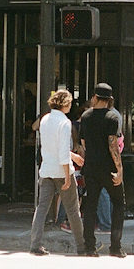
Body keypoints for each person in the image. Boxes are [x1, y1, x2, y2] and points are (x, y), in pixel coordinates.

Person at [30, 89, 85, 256]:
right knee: (73, 210)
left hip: (46, 170)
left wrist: (72, 156)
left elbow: (51, 147)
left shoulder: (45, 119)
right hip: (61, 172)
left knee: (41, 209)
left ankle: (35, 244)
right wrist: (68, 176)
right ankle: (82, 246)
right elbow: (62, 151)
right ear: (65, 104)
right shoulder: (65, 122)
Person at [78, 83, 126, 258]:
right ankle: (115, 247)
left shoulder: (86, 116)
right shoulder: (112, 117)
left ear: (95, 97)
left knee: (90, 206)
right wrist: (119, 170)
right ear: (110, 99)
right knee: (118, 204)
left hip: (91, 167)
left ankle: (89, 247)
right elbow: (113, 145)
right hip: (109, 168)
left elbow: (83, 143)